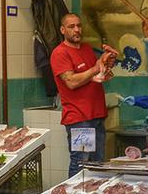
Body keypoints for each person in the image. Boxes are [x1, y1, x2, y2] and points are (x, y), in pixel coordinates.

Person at [50, 13, 116, 177]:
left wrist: (106, 65)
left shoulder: (86, 48)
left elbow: (94, 76)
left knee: (97, 164)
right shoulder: (60, 53)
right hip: (80, 119)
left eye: (79, 25)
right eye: (71, 27)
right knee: (81, 163)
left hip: (97, 115)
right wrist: (96, 67)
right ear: (62, 30)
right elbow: (71, 82)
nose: (77, 30)